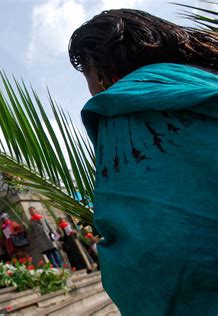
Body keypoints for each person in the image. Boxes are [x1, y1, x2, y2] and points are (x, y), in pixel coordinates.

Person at [69, 9, 218, 314]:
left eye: (85, 72)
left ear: (98, 66)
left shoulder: (122, 109)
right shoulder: (202, 77)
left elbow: (153, 248)